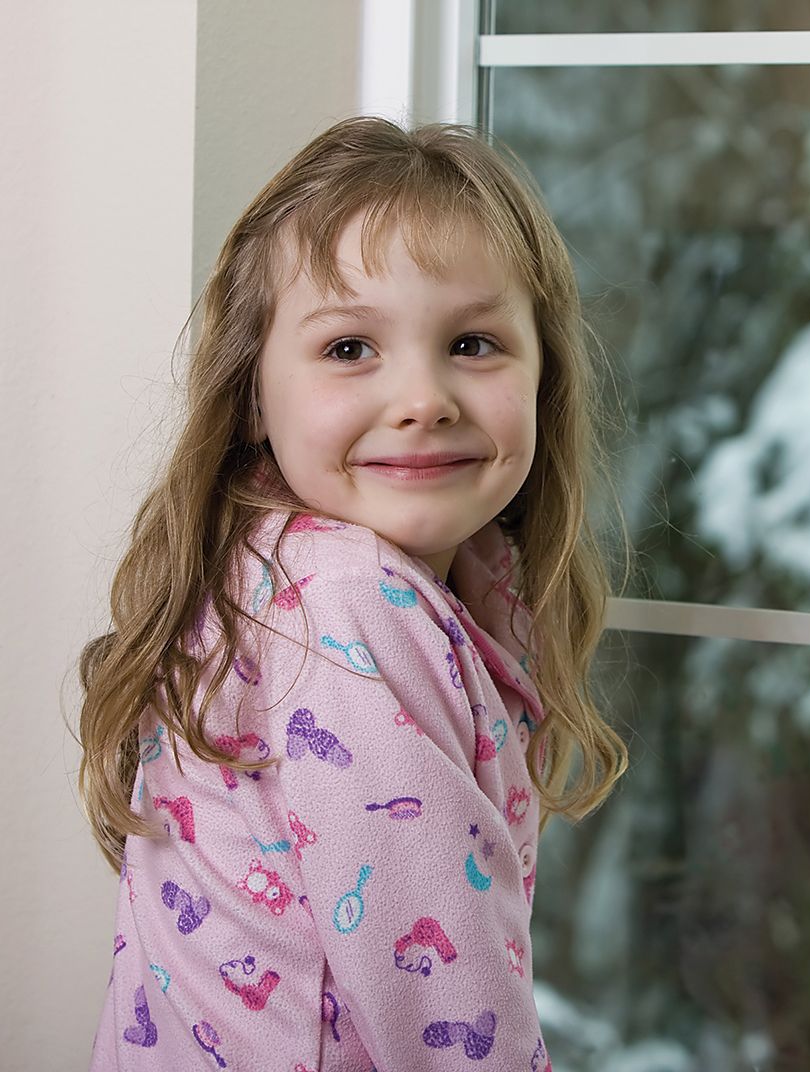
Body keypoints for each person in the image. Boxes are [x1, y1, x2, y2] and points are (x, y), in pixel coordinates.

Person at [74, 115, 629, 1071]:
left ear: (544, 379)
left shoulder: (301, 558)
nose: (424, 398)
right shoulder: (350, 600)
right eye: (348, 350)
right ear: (252, 392)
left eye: (474, 344)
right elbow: (448, 1020)